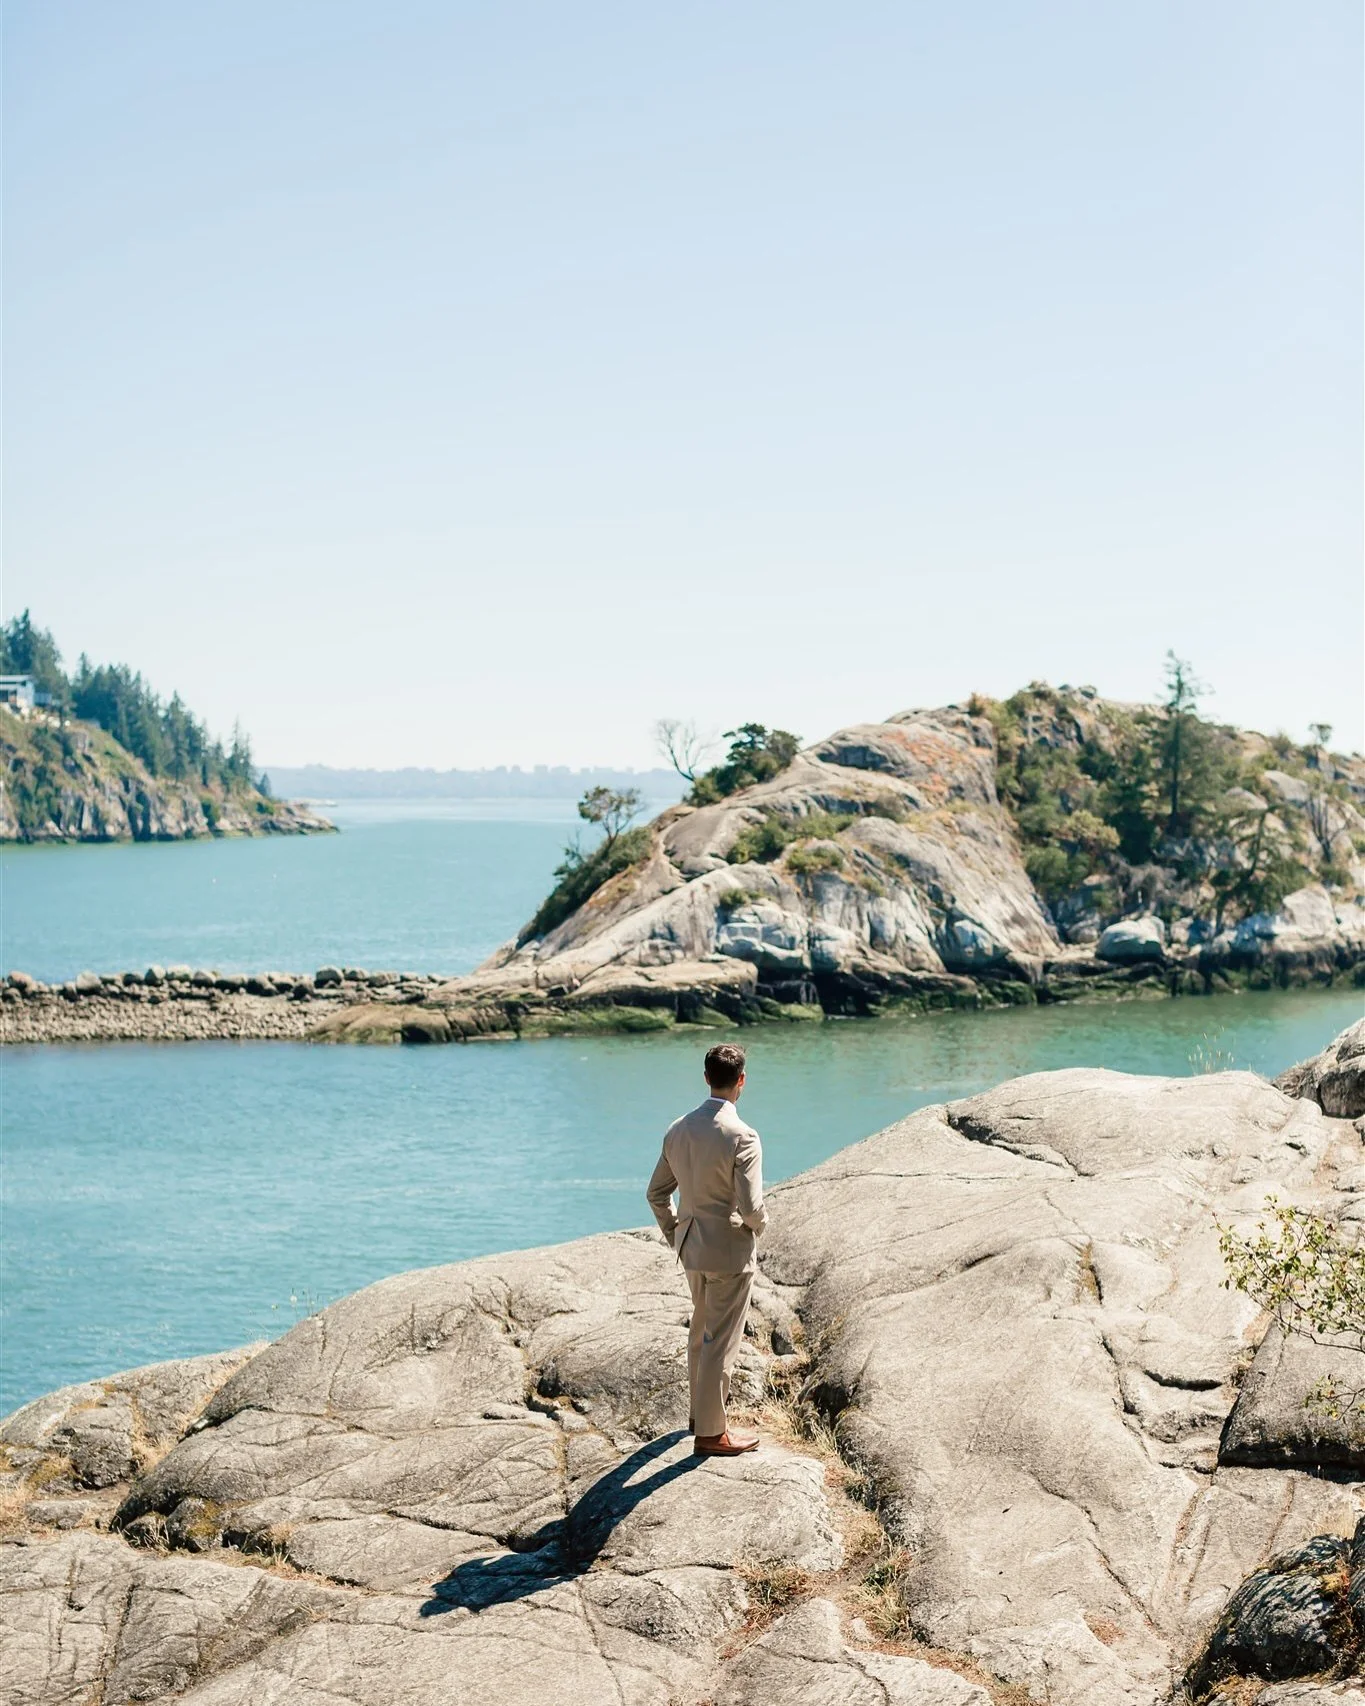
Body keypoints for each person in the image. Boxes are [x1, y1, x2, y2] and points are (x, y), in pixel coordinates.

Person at [646, 1041, 768, 1456]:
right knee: (720, 1341)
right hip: (730, 1252)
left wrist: (675, 1234)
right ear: (741, 1081)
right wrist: (760, 1227)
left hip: (691, 1249)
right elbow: (751, 1207)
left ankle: (700, 1417)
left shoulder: (677, 1129)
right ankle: (711, 1435)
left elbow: (656, 1195)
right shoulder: (743, 1136)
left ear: (705, 1078)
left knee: (701, 1333)